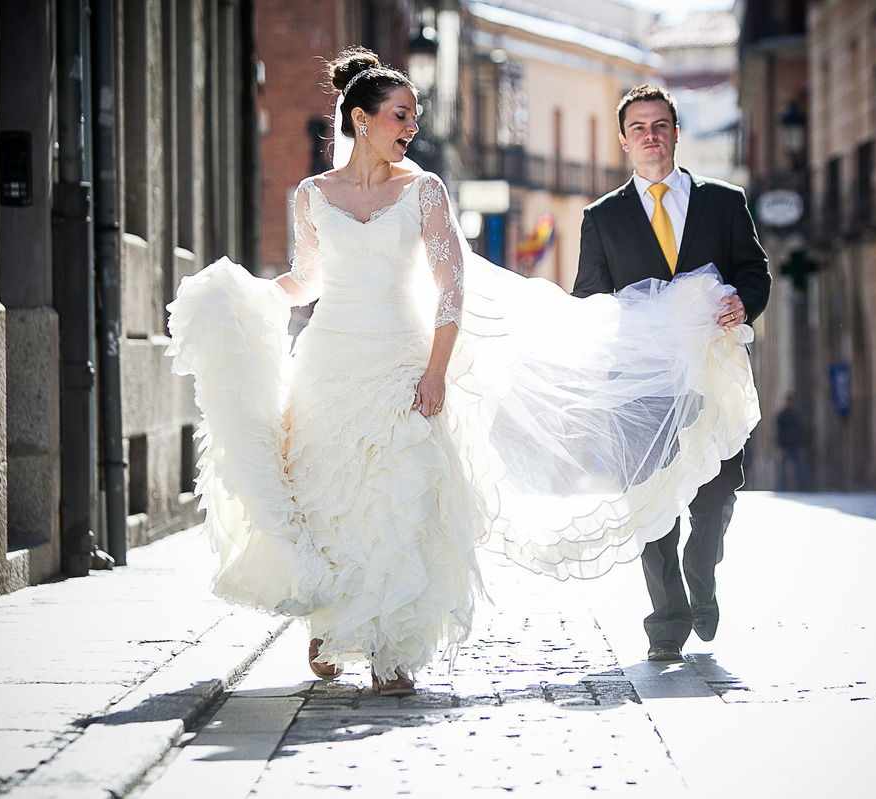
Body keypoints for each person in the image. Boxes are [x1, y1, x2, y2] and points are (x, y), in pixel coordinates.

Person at [167, 53, 761, 697]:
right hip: (327, 362)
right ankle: (334, 618)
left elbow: (450, 287)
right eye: (400, 116)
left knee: (400, 499)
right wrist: (249, 297)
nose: (412, 128)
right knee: (327, 493)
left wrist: (436, 371)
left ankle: (392, 648)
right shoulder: (312, 195)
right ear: (360, 120)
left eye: (415, 116)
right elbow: (307, 280)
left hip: (403, 360)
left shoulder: (424, 190)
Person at [574, 85, 771, 662]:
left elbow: (754, 272)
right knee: (651, 500)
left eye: (660, 125)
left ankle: (701, 571)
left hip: (712, 374)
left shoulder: (724, 202)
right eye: (638, 128)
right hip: (640, 385)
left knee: (717, 492)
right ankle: (666, 621)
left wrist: (743, 302)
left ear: (677, 133)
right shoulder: (602, 217)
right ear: (623, 140)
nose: (651, 136)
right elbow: (590, 299)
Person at [776, 392, 811, 491]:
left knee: (801, 469)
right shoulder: (782, 415)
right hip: (786, 446)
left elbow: (801, 431)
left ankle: (803, 488)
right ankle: (782, 489)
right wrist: (781, 446)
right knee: (783, 471)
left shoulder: (797, 415)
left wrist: (803, 446)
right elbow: (779, 432)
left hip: (797, 445)